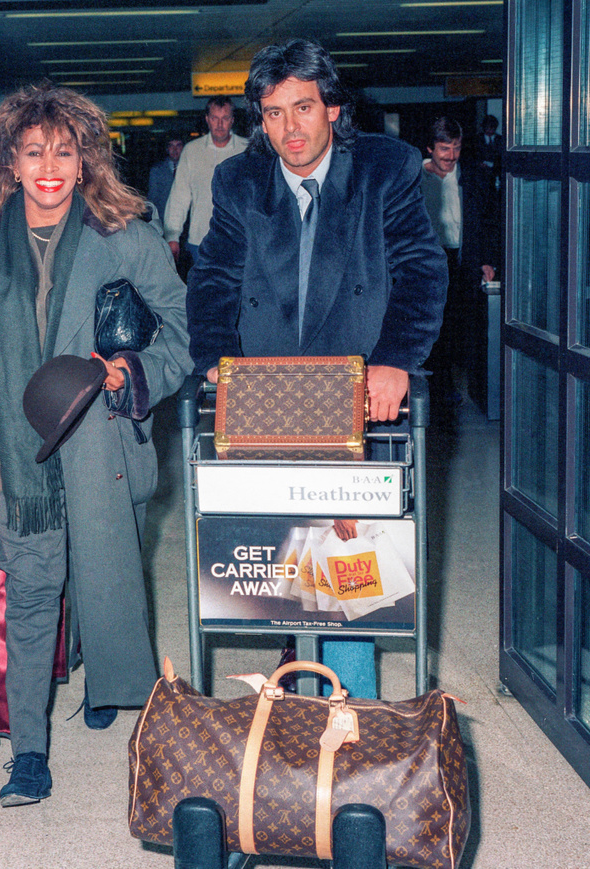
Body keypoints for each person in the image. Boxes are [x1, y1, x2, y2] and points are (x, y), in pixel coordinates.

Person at [0, 83, 192, 807]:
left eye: (64, 152)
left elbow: (178, 332)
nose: (49, 166)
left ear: (85, 162)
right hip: (16, 456)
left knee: (104, 575)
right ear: (10, 160)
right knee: (35, 590)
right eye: (34, 151)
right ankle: (31, 754)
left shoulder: (124, 233)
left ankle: (104, 674)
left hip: (103, 443)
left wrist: (130, 372)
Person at [185, 38, 447, 699]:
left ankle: (346, 718)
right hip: (266, 397)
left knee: (347, 567)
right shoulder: (239, 180)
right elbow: (214, 273)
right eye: (272, 113)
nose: (289, 129)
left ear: (333, 106)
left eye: (303, 108)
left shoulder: (386, 168)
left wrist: (394, 361)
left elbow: (420, 269)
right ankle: (295, 704)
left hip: (352, 393)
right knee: (275, 562)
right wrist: (217, 359)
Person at [420, 116, 497, 409]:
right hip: (424, 263)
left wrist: (487, 260)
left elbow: (490, 221)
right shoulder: (411, 179)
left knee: (454, 328)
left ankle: (446, 384)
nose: (451, 156)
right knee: (428, 327)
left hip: (461, 261)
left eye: (456, 148)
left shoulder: (473, 178)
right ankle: (428, 385)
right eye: (444, 149)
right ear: (429, 148)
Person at [162, 96, 248, 267]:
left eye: (225, 119)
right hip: (200, 240)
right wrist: (172, 236)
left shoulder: (247, 149)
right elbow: (179, 196)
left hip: (240, 240)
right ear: (207, 120)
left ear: (232, 120)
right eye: (215, 118)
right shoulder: (191, 151)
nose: (220, 124)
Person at [147, 135, 183, 223]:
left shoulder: (191, 169)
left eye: (178, 145)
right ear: (167, 149)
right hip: (164, 220)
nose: (175, 150)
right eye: (171, 146)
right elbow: (152, 197)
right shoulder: (157, 170)